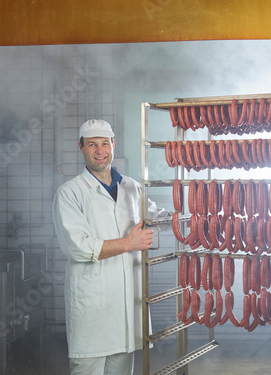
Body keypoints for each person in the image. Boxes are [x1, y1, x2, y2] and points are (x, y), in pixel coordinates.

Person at [52, 119, 170, 375]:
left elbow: (157, 216)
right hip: (93, 310)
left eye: (105, 143)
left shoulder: (131, 186)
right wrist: (129, 244)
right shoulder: (70, 192)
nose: (100, 150)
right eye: (92, 144)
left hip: (126, 309)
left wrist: (195, 219)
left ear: (113, 145)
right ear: (81, 147)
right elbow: (78, 247)